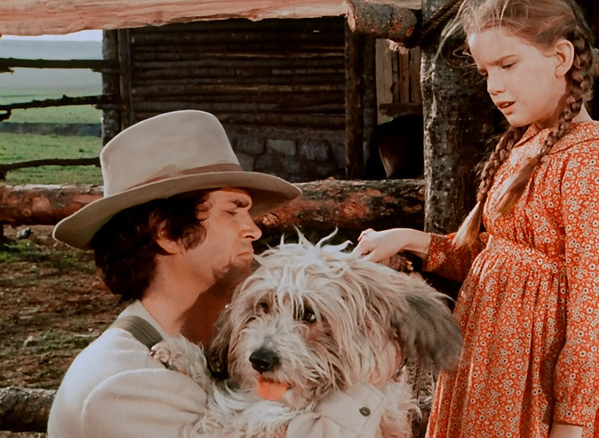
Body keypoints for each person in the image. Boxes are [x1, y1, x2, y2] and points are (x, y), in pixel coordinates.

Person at [353, 0, 599, 437]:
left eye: (508, 64)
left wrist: (570, 423)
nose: (494, 86)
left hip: (541, 396)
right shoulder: (530, 146)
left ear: (560, 58)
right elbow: (498, 265)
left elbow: (595, 318)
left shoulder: (592, 165)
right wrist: (409, 239)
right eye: (487, 72)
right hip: (493, 379)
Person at [48, 110, 389, 438]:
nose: (254, 231)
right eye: (233, 212)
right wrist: (370, 380)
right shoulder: (126, 388)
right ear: (167, 233)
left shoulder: (209, 352)